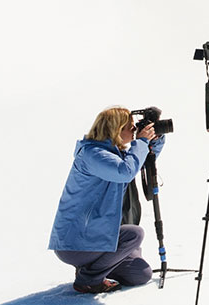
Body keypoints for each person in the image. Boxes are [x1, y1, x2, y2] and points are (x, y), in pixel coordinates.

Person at [48, 106, 165, 293]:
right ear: (116, 129)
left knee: (141, 274)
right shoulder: (92, 154)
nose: (134, 131)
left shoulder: (113, 154)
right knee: (135, 234)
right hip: (77, 242)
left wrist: (153, 140)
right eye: (131, 127)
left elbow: (138, 163)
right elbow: (125, 171)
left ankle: (94, 267)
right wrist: (141, 141)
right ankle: (88, 279)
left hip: (98, 238)